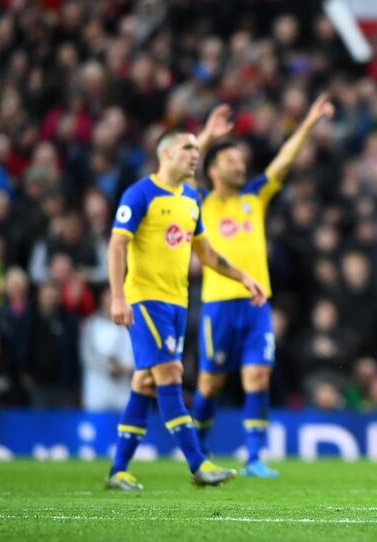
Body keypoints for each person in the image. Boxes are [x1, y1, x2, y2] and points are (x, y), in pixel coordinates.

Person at [106, 129, 267, 491]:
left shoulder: (191, 198)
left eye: (197, 148)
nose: (195, 154)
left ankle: (118, 470)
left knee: (145, 381)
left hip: (177, 302)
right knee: (170, 374)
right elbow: (117, 246)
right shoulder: (141, 193)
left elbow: (207, 254)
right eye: (187, 148)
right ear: (165, 154)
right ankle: (199, 464)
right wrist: (118, 296)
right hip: (146, 299)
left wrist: (244, 277)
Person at [190, 94, 334, 477]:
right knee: (209, 384)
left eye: (241, 160)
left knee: (258, 376)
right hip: (219, 303)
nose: (240, 165)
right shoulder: (200, 201)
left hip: (257, 305)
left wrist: (308, 122)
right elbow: (183, 170)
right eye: (231, 161)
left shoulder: (254, 196)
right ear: (214, 170)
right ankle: (198, 449)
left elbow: (284, 161)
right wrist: (206, 136)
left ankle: (254, 456)